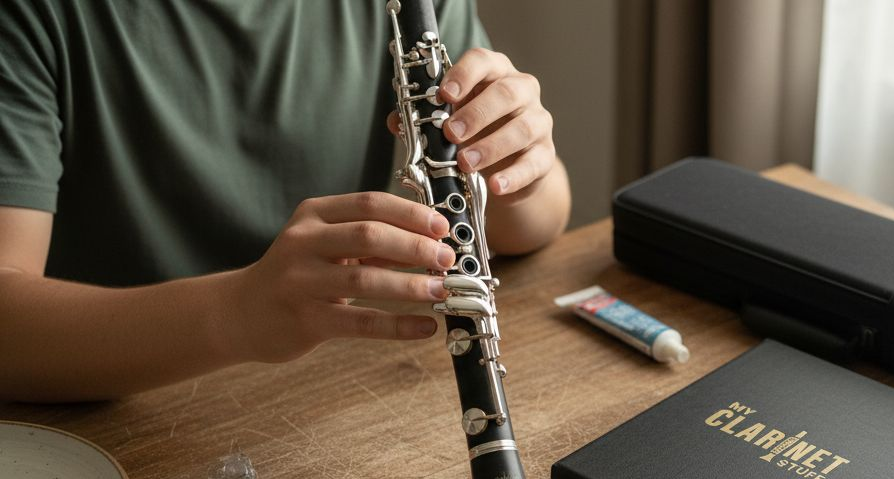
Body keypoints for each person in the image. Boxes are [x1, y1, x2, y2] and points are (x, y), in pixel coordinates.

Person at [0, 1, 570, 403]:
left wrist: (513, 165)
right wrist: (236, 313)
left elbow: (534, 225)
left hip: (332, 401)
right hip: (114, 436)